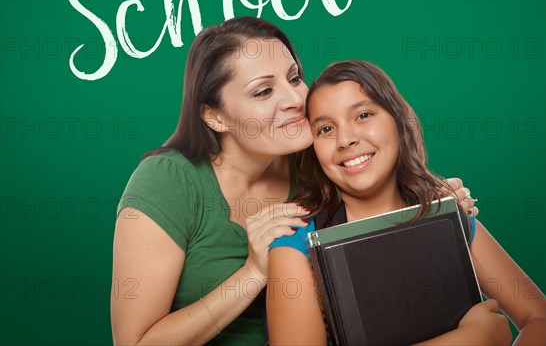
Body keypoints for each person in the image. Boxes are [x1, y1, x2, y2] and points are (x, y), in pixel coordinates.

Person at [111, 17, 477, 345]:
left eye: (294, 77)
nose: (295, 99)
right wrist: (253, 272)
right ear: (214, 116)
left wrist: (435, 206)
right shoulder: (169, 180)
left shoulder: (317, 161)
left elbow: (385, 207)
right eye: (263, 91)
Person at [267, 60, 546, 346]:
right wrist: (472, 339)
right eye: (326, 129)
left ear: (398, 122)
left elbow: (541, 318)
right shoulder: (295, 244)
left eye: (363, 115)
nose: (346, 139)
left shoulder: (447, 215)